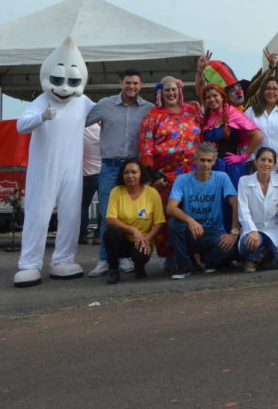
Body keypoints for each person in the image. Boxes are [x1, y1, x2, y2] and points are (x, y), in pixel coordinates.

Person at [13, 37, 95, 287]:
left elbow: (103, 114)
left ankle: (63, 259)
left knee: (71, 215)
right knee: (38, 213)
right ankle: (29, 263)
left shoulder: (83, 102)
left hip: (72, 167)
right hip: (43, 169)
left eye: (71, 81)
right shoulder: (41, 101)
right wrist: (40, 117)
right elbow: (20, 125)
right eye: (58, 80)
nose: (64, 87)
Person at [86, 68, 153, 278]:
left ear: (141, 85)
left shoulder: (148, 109)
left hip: (135, 169)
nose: (131, 87)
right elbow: (78, 122)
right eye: (128, 83)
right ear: (120, 83)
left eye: (135, 83)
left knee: (132, 214)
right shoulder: (105, 105)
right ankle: (106, 260)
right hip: (110, 167)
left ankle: (125, 258)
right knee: (108, 216)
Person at [138, 76, 203, 263]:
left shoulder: (192, 111)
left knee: (194, 212)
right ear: (160, 93)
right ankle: (172, 257)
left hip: (193, 175)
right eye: (167, 90)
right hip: (166, 178)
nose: (171, 93)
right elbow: (145, 147)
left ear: (180, 91)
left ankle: (195, 253)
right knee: (168, 217)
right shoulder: (153, 115)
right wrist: (153, 176)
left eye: (174, 89)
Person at [165, 143, 240, 279]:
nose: (205, 164)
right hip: (192, 231)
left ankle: (209, 262)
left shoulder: (221, 177)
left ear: (214, 162)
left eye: (209, 160)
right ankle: (185, 267)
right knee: (173, 224)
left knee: (229, 246)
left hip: (213, 232)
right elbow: (170, 207)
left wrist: (234, 233)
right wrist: (190, 220)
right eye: (202, 160)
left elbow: (235, 203)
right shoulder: (182, 179)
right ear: (195, 160)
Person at [103, 159, 165, 284]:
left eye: (134, 172)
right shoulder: (116, 191)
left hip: (143, 239)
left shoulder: (152, 193)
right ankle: (113, 269)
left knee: (140, 255)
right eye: (126, 173)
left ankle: (139, 267)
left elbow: (160, 223)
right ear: (122, 175)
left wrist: (146, 239)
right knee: (110, 233)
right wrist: (133, 230)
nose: (130, 176)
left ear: (141, 174)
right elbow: (110, 219)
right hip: (123, 240)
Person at [236, 147, 278, 272]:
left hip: (273, 228)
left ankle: (267, 255)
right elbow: (243, 210)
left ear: (274, 164)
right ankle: (250, 259)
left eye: (270, 161)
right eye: (263, 160)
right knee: (247, 243)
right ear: (256, 161)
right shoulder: (244, 181)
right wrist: (251, 230)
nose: (266, 164)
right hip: (253, 227)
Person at [198, 80, 263, 188]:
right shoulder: (208, 116)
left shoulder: (233, 113)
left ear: (222, 97)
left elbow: (257, 136)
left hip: (231, 168)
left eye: (215, 95)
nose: (212, 99)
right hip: (210, 168)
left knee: (232, 201)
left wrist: (243, 157)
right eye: (208, 97)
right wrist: (200, 73)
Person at [244, 76, 278, 183]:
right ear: (262, 91)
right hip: (258, 167)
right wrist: (253, 162)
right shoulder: (250, 112)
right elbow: (244, 140)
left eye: (275, 89)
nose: (271, 92)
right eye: (268, 88)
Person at [79, 123, 101, 245]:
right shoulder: (103, 131)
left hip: (86, 173)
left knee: (83, 205)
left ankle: (82, 234)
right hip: (103, 172)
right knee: (104, 206)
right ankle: (99, 236)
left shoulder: (83, 130)